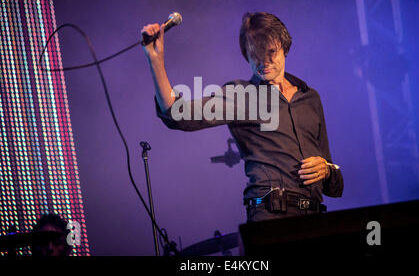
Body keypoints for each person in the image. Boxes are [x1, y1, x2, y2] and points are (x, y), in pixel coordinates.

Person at [141, 12, 343, 223]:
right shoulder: (241, 95)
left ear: (285, 46)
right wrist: (156, 61)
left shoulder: (310, 98)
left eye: (271, 52)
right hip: (272, 214)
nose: (264, 61)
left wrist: (327, 170)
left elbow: (336, 186)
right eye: (255, 53)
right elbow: (176, 114)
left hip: (316, 218)